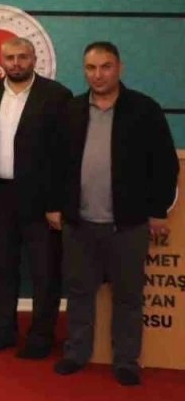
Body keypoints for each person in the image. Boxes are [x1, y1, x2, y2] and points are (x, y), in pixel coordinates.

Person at [53, 42, 179, 387]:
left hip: (128, 224)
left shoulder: (144, 109)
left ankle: (126, 360)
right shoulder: (71, 110)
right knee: (79, 292)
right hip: (79, 223)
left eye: (105, 67)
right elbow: (55, 162)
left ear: (119, 68)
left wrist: (158, 211)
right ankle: (76, 353)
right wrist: (55, 205)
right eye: (91, 68)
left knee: (128, 296)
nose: (98, 74)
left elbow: (164, 165)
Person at [0, 36, 71, 359]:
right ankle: (4, 331)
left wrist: (56, 204)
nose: (16, 63)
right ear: (1, 61)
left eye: (22, 57)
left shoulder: (57, 95)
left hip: (41, 202)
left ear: (34, 59)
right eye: (10, 58)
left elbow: (64, 155)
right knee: (1, 270)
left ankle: (41, 336)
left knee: (45, 273)